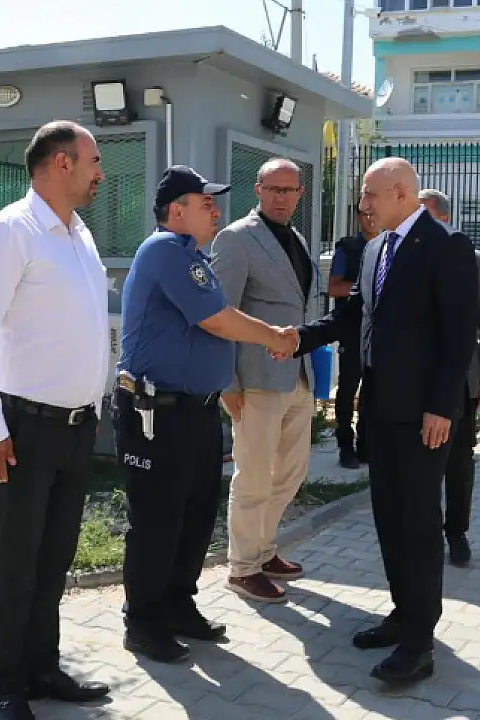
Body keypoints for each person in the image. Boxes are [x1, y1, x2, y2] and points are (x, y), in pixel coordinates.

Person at [284, 158, 478, 685]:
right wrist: (301, 338)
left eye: (370, 194)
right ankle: (402, 613)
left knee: (418, 524)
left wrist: (441, 406)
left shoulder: (446, 246)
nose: (363, 205)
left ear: (400, 193)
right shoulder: (375, 249)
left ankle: (420, 643)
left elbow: (460, 334)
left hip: (423, 416)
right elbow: (354, 316)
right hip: (381, 409)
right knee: (389, 519)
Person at [0, 121, 112, 720]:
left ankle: (43, 668)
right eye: (94, 161)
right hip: (24, 430)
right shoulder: (9, 232)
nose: (100, 174)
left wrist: (93, 406)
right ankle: (6, 682)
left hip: (76, 427)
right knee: (17, 565)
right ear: (61, 163)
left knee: (54, 559)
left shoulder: (78, 234)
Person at [114, 165, 298, 664]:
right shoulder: (164, 251)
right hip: (157, 413)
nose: (215, 210)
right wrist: (275, 337)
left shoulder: (193, 256)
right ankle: (143, 622)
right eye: (205, 202)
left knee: (194, 517)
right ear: (177, 211)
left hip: (194, 412)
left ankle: (178, 604)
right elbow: (217, 320)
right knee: (157, 520)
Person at [208, 158, 320, 604]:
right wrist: (228, 381)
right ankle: (242, 567)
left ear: (300, 195)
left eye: (288, 190)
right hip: (254, 379)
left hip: (297, 374)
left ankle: (263, 549)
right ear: (257, 190)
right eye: (272, 189)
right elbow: (220, 315)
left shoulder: (298, 240)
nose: (280, 197)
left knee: (292, 472)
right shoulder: (236, 238)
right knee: (253, 475)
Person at [419, 189, 480, 567]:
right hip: (416, 382)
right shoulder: (405, 258)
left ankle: (456, 532)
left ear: (444, 219)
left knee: (457, 464)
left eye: (425, 216)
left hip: (460, 382)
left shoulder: (472, 260)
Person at [327, 210, 380, 468]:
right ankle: (345, 445)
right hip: (351, 328)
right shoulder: (347, 249)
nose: (371, 219)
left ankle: (366, 444)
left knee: (373, 390)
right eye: (365, 215)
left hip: (379, 331)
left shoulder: (389, 247)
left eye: (375, 214)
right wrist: (365, 285)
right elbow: (333, 287)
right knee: (348, 388)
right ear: (359, 218)